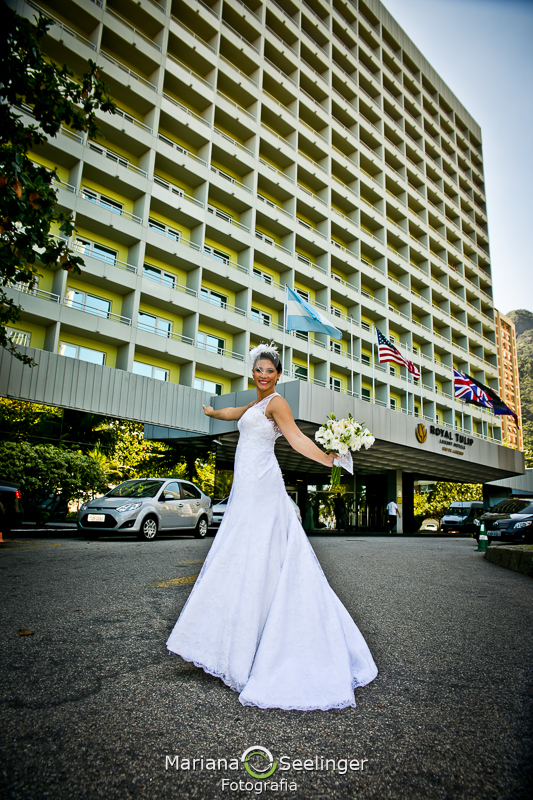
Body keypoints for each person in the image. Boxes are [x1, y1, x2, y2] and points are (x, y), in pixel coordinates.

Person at [166, 343, 378, 710]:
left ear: (278, 375)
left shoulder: (277, 403)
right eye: (258, 370)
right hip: (246, 487)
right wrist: (213, 411)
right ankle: (232, 642)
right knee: (240, 552)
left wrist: (328, 458)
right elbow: (236, 413)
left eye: (270, 371)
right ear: (253, 373)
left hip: (263, 484)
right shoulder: (256, 403)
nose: (263, 375)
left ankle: (261, 646)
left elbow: (295, 438)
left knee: (259, 550)